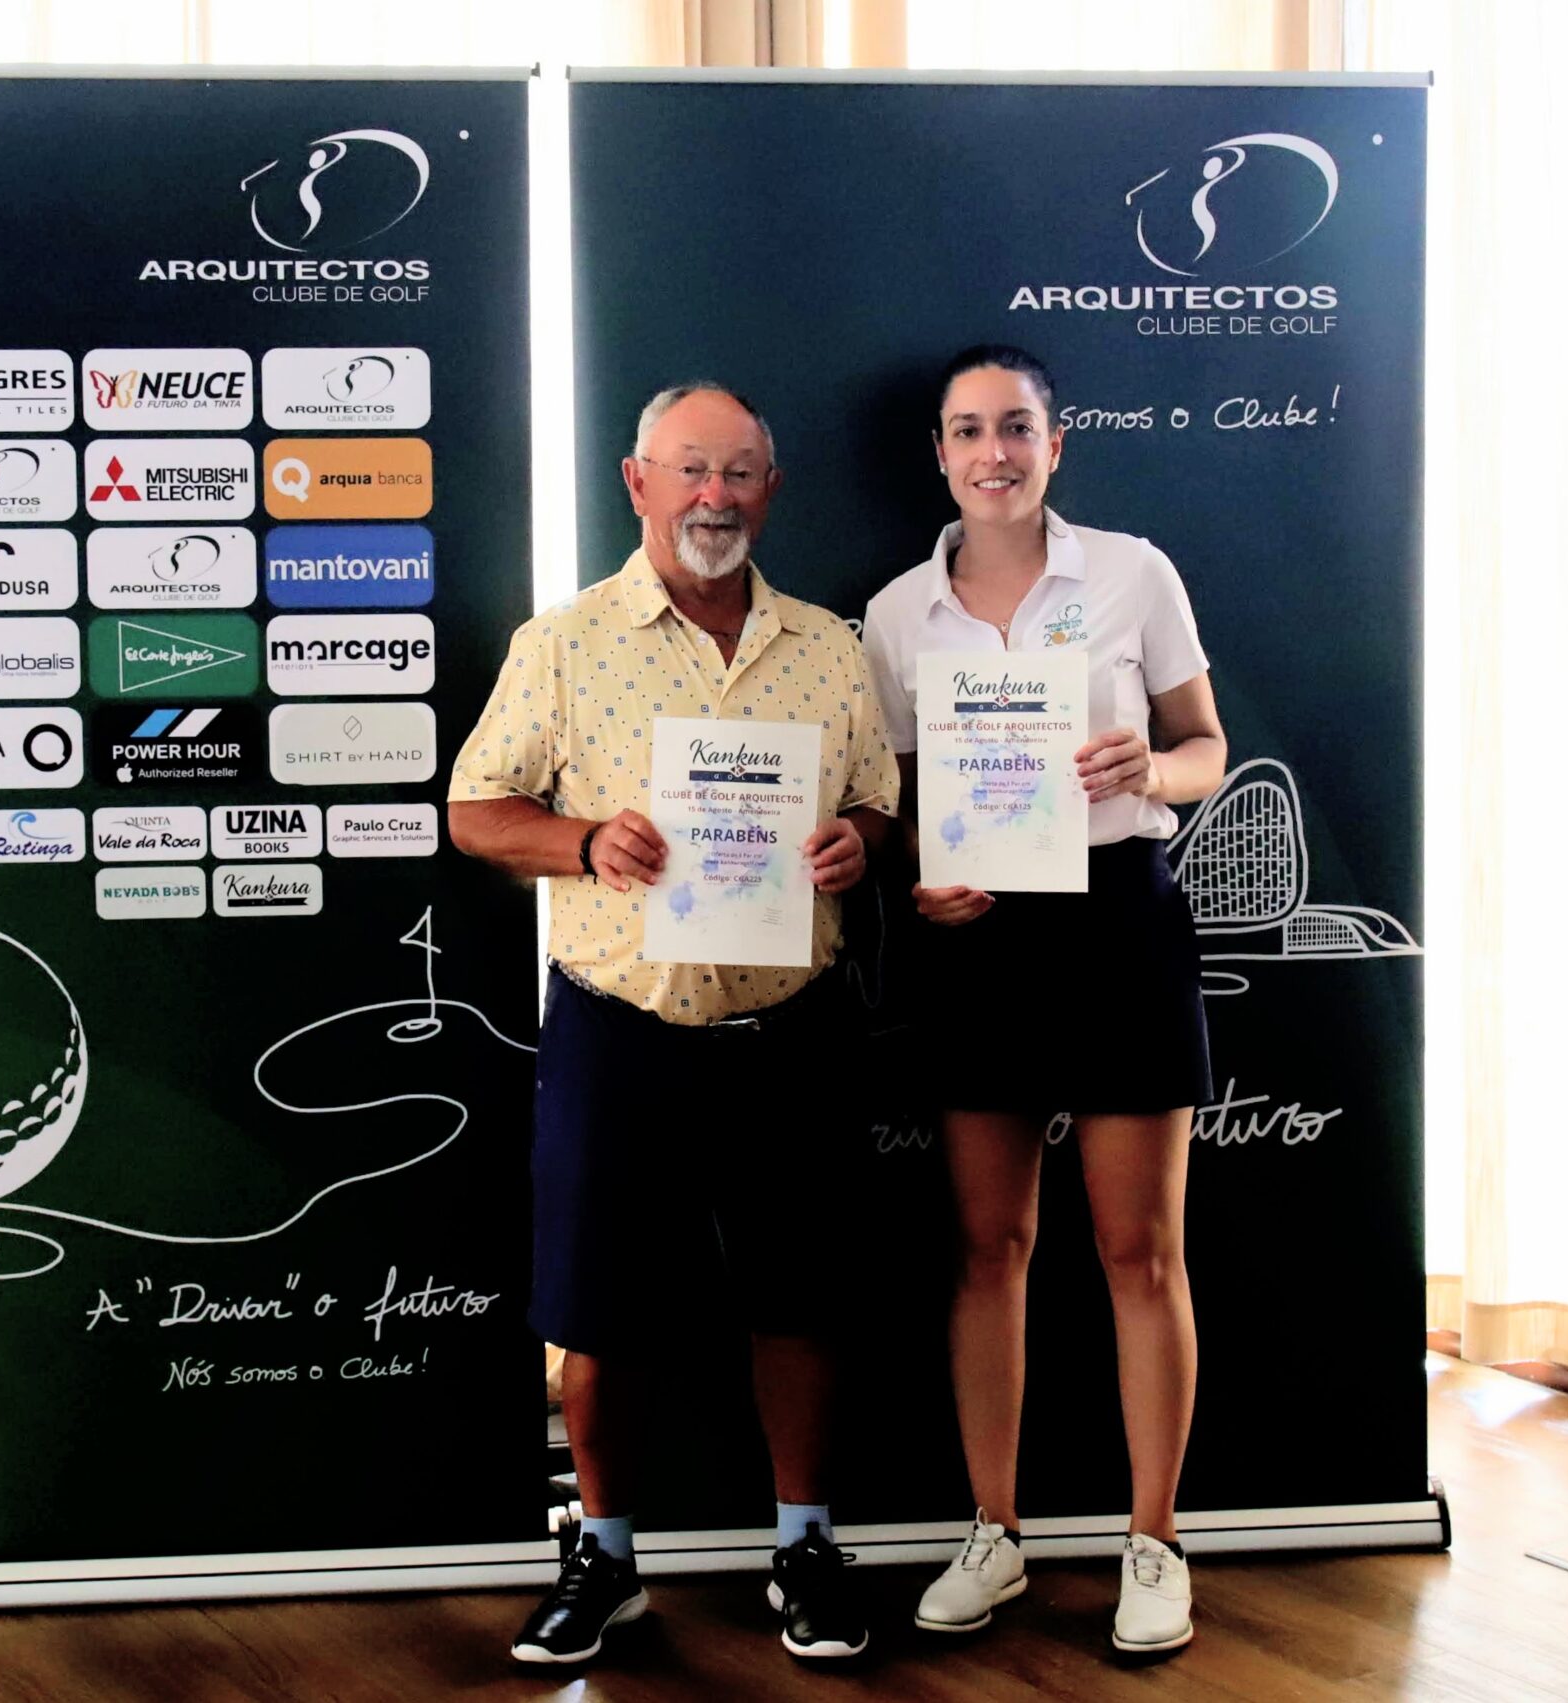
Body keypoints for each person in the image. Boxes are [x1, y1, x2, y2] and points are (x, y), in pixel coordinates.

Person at [447, 383, 899, 1666]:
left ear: (771, 489)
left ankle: (804, 1545)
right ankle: (605, 1558)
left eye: (739, 471)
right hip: (620, 1028)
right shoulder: (563, 642)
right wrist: (587, 840)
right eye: (690, 468)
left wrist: (856, 846)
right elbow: (476, 809)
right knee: (597, 1306)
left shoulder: (828, 647)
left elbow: (878, 801)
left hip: (791, 1027)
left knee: (801, 1298)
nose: (715, 495)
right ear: (636, 481)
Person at [859, 345, 1226, 1656]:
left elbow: (1206, 745)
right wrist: (923, 874)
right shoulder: (896, 613)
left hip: (1120, 920)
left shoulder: (1134, 571)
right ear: (940, 454)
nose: (993, 452)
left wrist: (1153, 770)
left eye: (1015, 427)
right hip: (983, 941)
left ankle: (1155, 1539)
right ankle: (996, 1530)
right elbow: (903, 802)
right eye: (967, 430)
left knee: (1140, 1250)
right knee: (989, 1246)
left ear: (1054, 444)